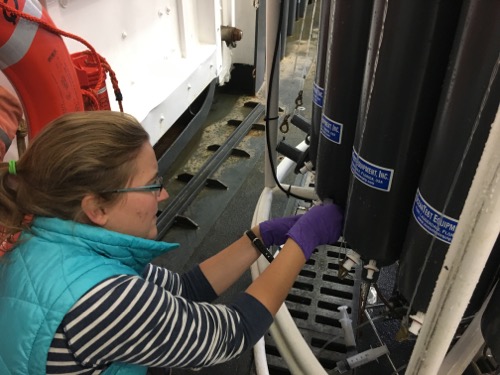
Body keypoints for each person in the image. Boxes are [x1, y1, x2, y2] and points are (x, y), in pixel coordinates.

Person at [0, 110, 343, 375]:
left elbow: (184, 288)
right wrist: (303, 242)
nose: (163, 194)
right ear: (97, 208)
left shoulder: (51, 244)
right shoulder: (101, 300)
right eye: (151, 186)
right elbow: (232, 333)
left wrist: (260, 236)